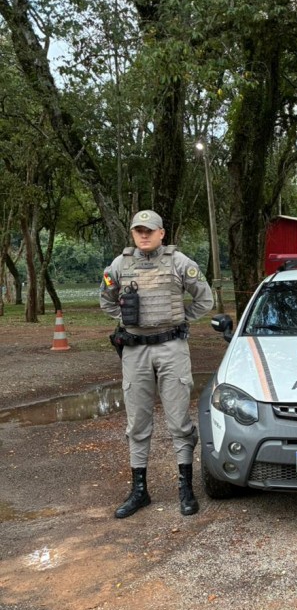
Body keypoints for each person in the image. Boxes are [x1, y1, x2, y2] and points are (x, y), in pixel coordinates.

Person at [100, 210, 213, 518]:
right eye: (139, 230)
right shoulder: (119, 265)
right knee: (137, 422)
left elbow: (204, 299)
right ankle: (139, 490)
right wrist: (123, 319)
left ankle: (185, 488)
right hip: (135, 351)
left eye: (150, 230)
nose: (144, 235)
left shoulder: (180, 263)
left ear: (162, 233)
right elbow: (106, 299)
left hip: (171, 348)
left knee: (179, 421)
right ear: (133, 234)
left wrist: (179, 321)